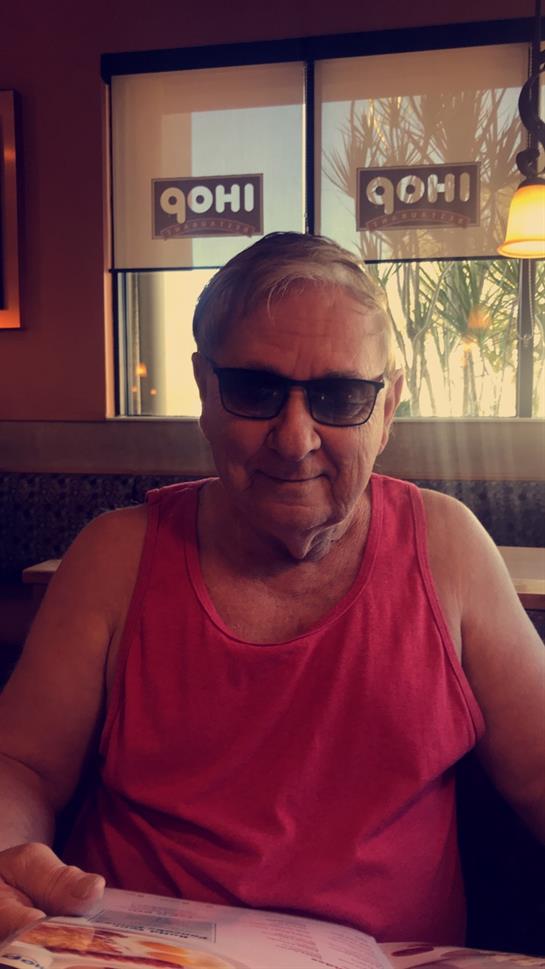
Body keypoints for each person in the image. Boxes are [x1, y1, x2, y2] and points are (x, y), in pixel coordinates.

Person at [0, 233, 543, 946]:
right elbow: (22, 764)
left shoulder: (451, 552)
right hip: (143, 957)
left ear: (387, 410)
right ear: (205, 390)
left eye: (339, 395)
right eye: (254, 389)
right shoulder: (113, 557)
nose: (293, 438)